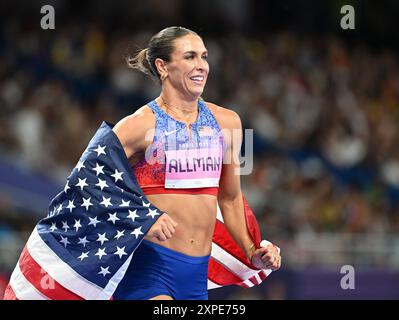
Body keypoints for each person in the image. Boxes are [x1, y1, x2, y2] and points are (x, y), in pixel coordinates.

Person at [111, 26, 281, 300]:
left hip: (194, 278)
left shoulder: (229, 123)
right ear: (162, 66)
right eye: (190, 56)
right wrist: (143, 220)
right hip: (148, 270)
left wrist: (252, 252)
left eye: (204, 56)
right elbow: (94, 188)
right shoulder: (137, 126)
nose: (201, 65)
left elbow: (230, 198)